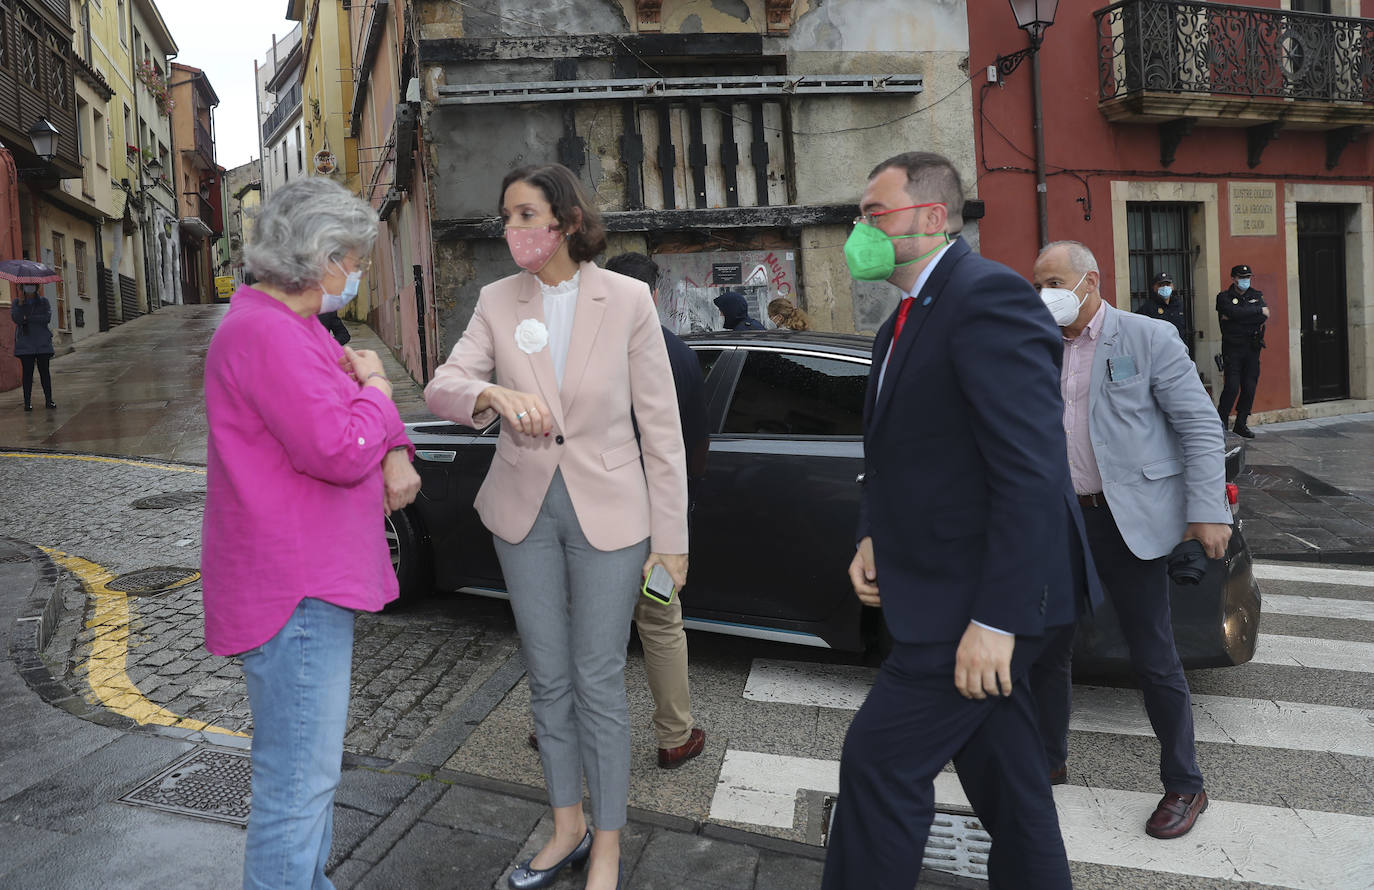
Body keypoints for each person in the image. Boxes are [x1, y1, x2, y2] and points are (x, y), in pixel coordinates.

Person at [822, 152, 1098, 890]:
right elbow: (897, 456)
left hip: (980, 601)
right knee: (1009, 783)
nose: (860, 230)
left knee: (878, 764)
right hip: (941, 584)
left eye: (874, 214)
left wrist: (998, 621)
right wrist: (870, 531)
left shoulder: (989, 299)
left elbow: (1028, 471)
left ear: (931, 217)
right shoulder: (901, 323)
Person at [424, 164, 688, 890]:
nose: (511, 230)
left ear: (567, 221)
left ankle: (607, 839)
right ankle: (565, 822)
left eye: (525, 215)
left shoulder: (628, 299)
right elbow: (442, 386)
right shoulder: (496, 301)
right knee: (546, 674)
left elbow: (660, 428)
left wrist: (672, 541)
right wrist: (491, 392)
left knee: (598, 675)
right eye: (506, 217)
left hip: (613, 507)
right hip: (523, 510)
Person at [201, 177, 421, 890]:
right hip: (294, 586)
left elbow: (352, 428)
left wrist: (380, 424)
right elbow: (338, 448)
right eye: (352, 258)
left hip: (297, 579)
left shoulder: (287, 328)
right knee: (298, 783)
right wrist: (382, 396)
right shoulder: (270, 332)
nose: (355, 273)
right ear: (322, 258)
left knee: (305, 778)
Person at [1030, 241, 1232, 840]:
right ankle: (1049, 757)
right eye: (1037, 282)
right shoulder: (1036, 343)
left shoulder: (1147, 338)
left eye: (1055, 281)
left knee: (1152, 655)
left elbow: (1198, 426)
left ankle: (1185, 784)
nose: (1045, 293)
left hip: (1128, 520)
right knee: (1048, 645)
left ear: (1091, 281)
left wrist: (1206, 510)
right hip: (1061, 519)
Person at [604, 250, 708, 768]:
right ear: (653, 294)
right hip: (660, 521)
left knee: (586, 625)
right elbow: (696, 446)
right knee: (662, 624)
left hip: (597, 516)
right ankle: (674, 737)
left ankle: (558, 728)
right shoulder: (681, 353)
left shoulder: (589, 351)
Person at [1216, 263, 1267, 438]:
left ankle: (1241, 423)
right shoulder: (1223, 297)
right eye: (1241, 277)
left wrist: (1238, 316)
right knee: (1231, 387)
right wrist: (1255, 312)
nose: (1245, 280)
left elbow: (1261, 317)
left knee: (1249, 387)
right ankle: (1220, 423)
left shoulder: (1256, 295)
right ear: (1234, 278)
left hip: (1252, 348)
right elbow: (1231, 312)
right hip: (1233, 348)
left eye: (1247, 277)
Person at [11, 283, 56, 410]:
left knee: (44, 373)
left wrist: (28, 318)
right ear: (22, 287)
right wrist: (20, 305)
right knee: (27, 374)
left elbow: (46, 318)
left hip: (42, 343)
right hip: (25, 344)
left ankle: (49, 400)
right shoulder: (16, 303)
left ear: (36, 287)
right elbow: (17, 319)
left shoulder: (43, 302)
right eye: (26, 285)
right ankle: (27, 402)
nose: (29, 287)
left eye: (32, 285)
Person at [1136, 271, 1186, 343]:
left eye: (1168, 284)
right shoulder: (1148, 307)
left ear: (1172, 287)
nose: (1165, 287)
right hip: (1159, 348)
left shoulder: (1178, 305)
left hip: (1178, 347)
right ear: (1154, 288)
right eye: (1161, 285)